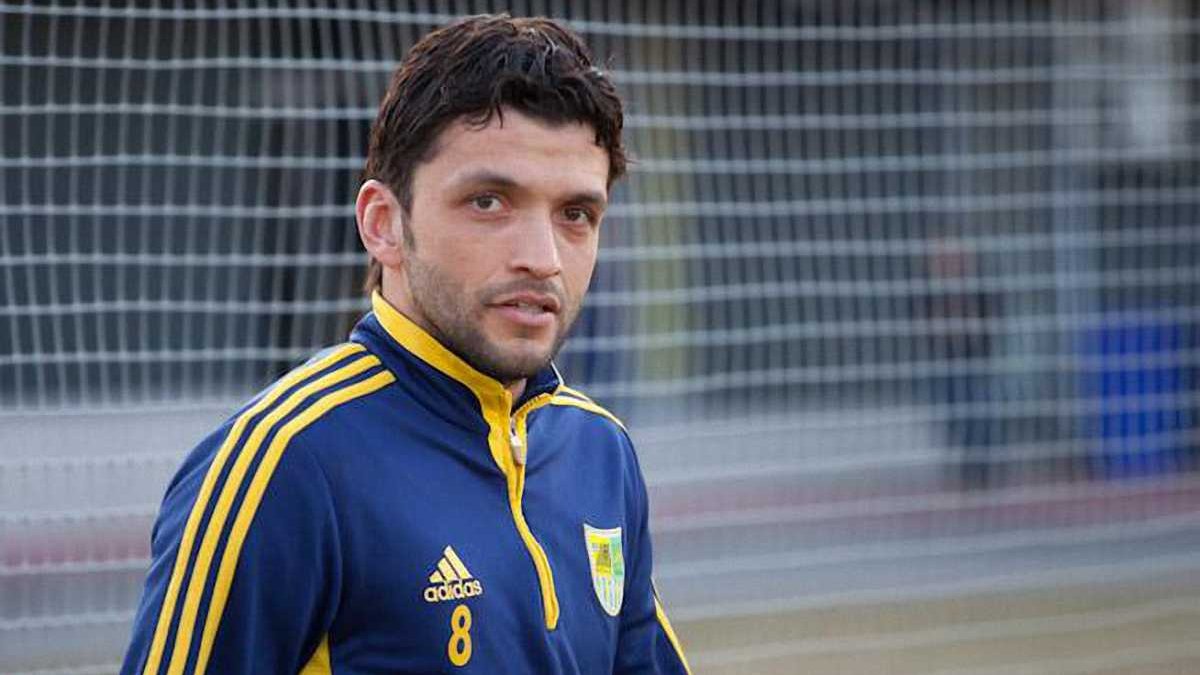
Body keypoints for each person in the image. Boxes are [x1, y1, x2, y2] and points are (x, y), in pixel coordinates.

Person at [120, 13, 691, 675]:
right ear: (383, 224)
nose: (543, 258)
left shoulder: (601, 452)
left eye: (576, 214)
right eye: (488, 202)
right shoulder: (285, 463)